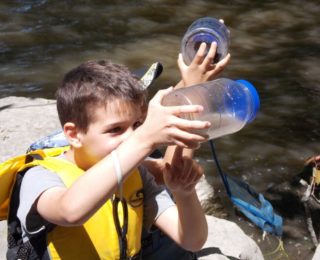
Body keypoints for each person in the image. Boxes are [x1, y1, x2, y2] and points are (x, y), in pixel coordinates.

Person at [9, 59, 211, 259]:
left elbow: (192, 241)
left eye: (137, 125)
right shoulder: (39, 177)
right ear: (73, 134)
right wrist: (144, 138)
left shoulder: (137, 175)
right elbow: (70, 211)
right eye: (116, 129)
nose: (131, 136)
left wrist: (184, 193)